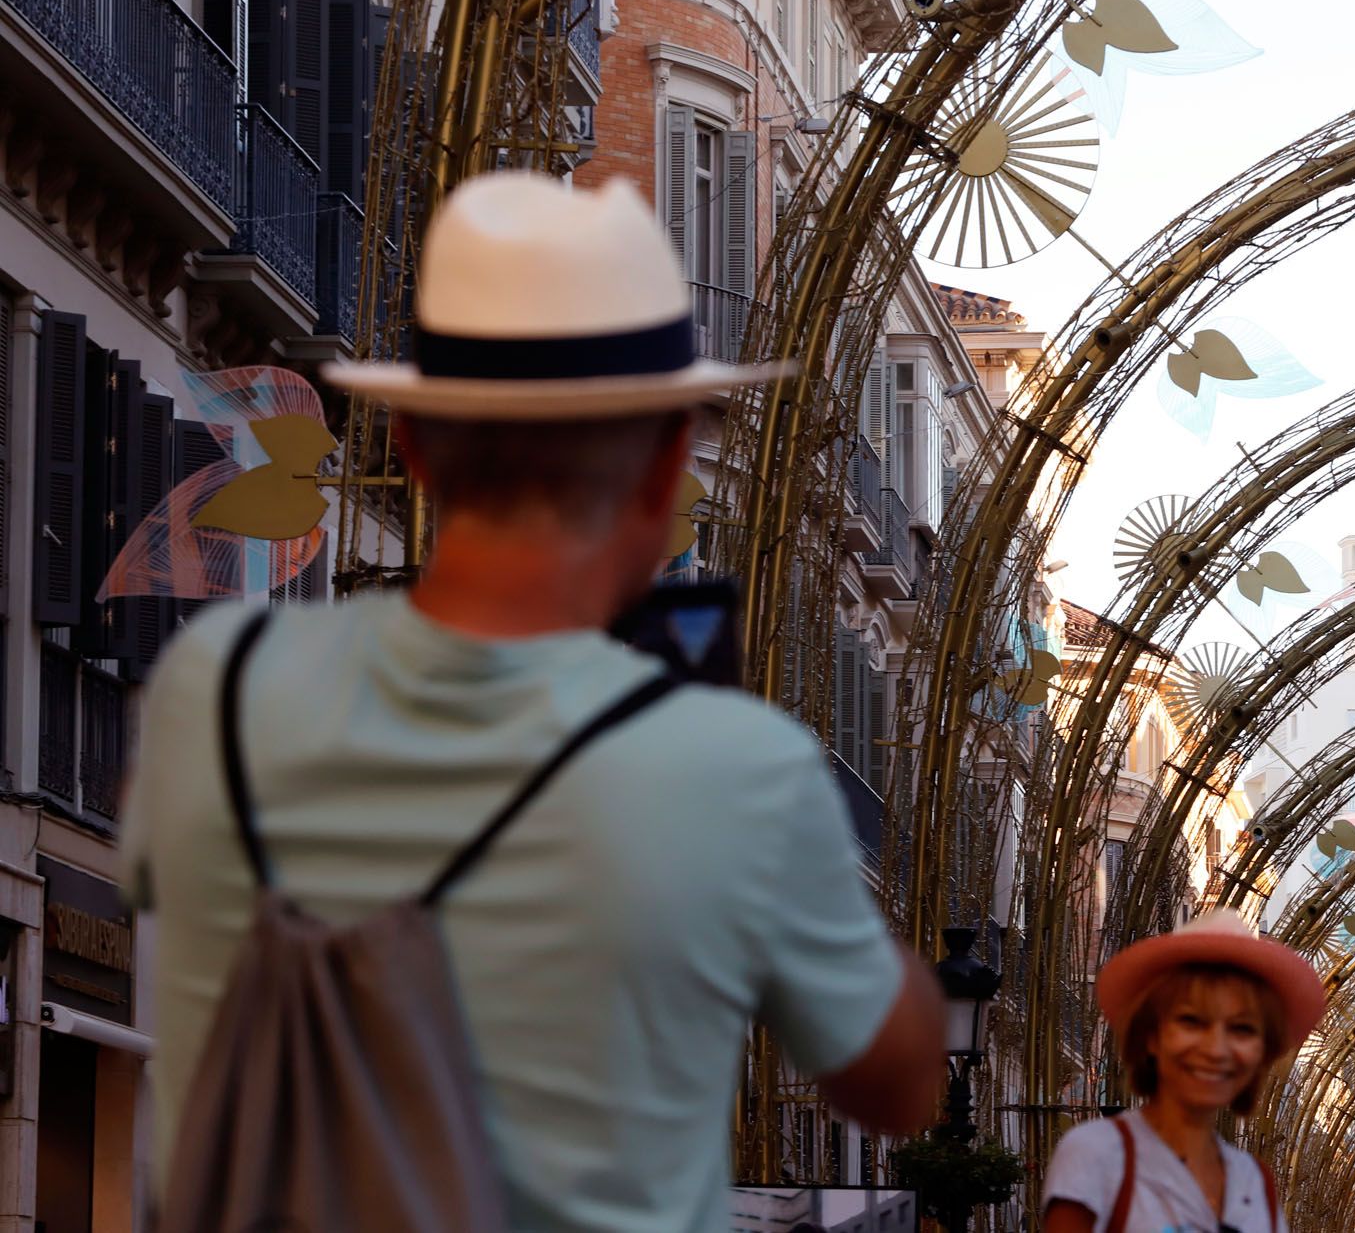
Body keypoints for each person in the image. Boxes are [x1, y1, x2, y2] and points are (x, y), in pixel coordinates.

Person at [119, 172, 945, 1230]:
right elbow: (895, 1082)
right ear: (665, 474)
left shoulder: (212, 688)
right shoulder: (736, 770)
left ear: (416, 451)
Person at [1042, 909, 1326, 1233]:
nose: (1216, 1049)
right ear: (1151, 1035)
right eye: (1192, 1022)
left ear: (1263, 1051)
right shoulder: (1098, 1156)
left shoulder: (1254, 1182)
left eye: (1242, 1029)